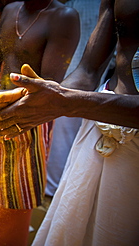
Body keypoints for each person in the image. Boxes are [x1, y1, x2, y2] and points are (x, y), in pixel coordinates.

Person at [0, 0, 139, 244]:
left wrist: (66, 102)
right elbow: (87, 70)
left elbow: (60, 83)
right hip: (95, 130)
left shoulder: (62, 16)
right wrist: (43, 97)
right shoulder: (11, 11)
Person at [0, 0, 79, 245]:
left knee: (13, 199)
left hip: (27, 120)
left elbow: (48, 90)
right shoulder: (10, 11)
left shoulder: (64, 17)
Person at [45, 0, 101, 201]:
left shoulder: (71, 7)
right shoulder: (98, 6)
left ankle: (53, 190)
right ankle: (67, 191)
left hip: (66, 82)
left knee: (62, 141)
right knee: (81, 141)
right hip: (90, 87)